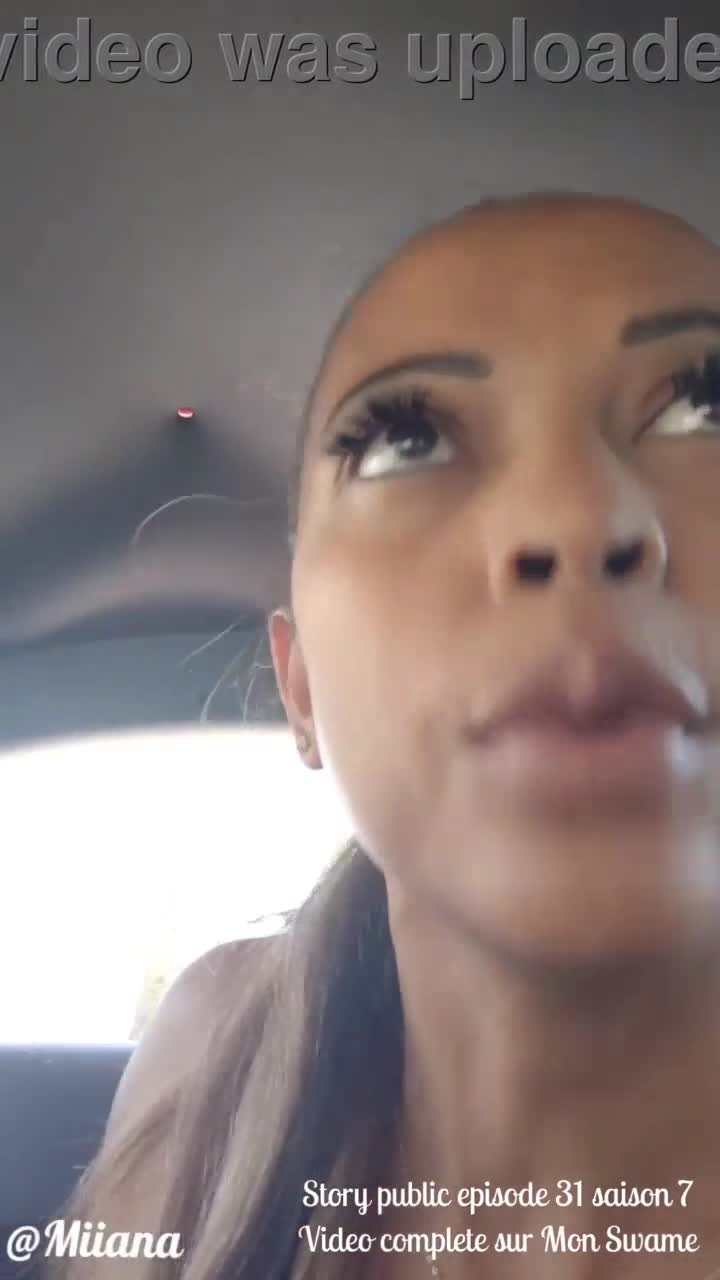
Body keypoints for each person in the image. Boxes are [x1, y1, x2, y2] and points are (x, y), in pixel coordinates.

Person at [60, 191, 720, 1279]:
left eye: (703, 408)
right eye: (406, 440)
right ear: (301, 688)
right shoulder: (208, 1062)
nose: (577, 515)